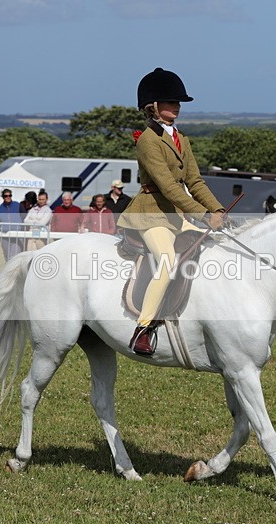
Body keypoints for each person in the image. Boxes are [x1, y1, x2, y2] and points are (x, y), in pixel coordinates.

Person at [118, 67, 225, 356]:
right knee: (166, 260)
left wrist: (217, 208)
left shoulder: (183, 139)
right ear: (153, 106)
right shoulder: (147, 140)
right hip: (151, 213)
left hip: (177, 214)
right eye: (171, 101)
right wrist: (202, 215)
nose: (177, 106)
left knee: (216, 248)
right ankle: (143, 328)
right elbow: (168, 187)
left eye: (178, 102)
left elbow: (194, 182)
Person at [0, 189, 26, 261]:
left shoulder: (18, 205)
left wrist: (22, 229)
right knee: (7, 257)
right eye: (6, 196)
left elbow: (25, 218)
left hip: (17, 235)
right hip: (5, 236)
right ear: (3, 197)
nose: (8, 197)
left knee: (15, 256)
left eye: (10, 195)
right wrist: (1, 228)